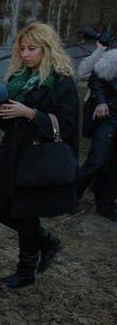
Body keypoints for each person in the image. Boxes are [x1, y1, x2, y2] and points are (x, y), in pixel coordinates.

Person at [0, 22, 79, 288]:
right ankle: (48, 242)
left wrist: (29, 113)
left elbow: (67, 124)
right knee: (4, 212)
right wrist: (1, 114)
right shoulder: (19, 80)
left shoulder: (61, 82)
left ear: (47, 49)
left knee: (25, 213)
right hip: (13, 155)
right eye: (22, 48)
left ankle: (26, 271)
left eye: (32, 49)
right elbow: (9, 123)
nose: (26, 54)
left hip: (37, 158)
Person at [75, 31, 117, 222]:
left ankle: (106, 204)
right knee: (97, 159)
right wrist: (101, 102)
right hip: (109, 115)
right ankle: (72, 197)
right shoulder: (112, 57)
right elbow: (94, 79)